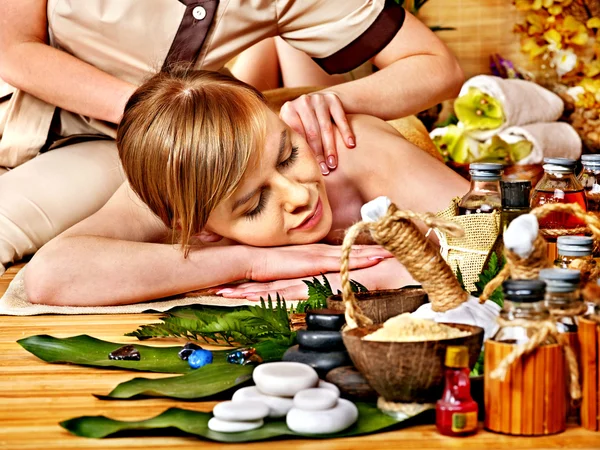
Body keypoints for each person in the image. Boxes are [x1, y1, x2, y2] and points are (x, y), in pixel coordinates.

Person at [0, 0, 464, 275]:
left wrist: (330, 101)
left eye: (287, 158)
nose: (298, 195)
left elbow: (436, 66)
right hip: (39, 116)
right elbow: (11, 46)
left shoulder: (200, 176)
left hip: (123, 150)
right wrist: (163, 116)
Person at [24, 69, 469, 306]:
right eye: (255, 204)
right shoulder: (176, 189)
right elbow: (49, 277)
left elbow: (502, 243)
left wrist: (369, 275)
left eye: (288, 156)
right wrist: (250, 262)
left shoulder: (357, 153)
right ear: (198, 229)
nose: (299, 196)